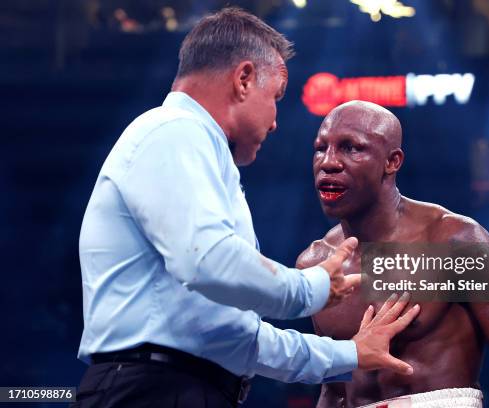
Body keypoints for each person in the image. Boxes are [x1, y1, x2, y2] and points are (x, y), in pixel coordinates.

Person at [74, 8, 421, 408]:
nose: (275, 121)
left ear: (393, 161)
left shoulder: (201, 159)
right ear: (243, 80)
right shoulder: (173, 132)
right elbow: (210, 262)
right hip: (152, 388)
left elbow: (236, 338)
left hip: (185, 388)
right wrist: (314, 289)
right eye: (275, 97)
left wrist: (351, 355)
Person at [297, 100, 489, 408]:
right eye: (320, 148)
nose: (328, 162)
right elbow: (334, 391)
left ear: (392, 161)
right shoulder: (314, 263)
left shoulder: (453, 240)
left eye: (350, 148)